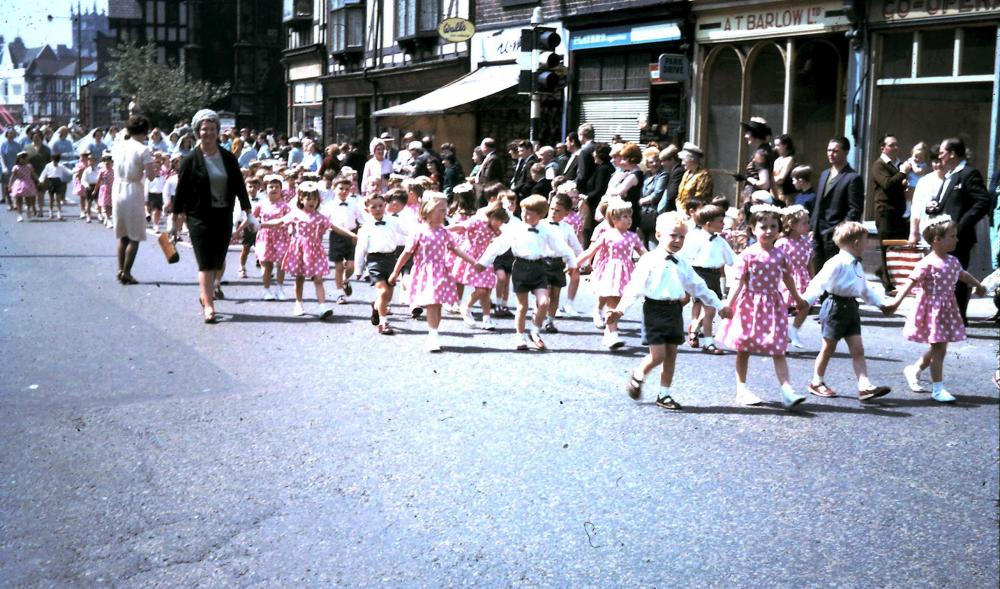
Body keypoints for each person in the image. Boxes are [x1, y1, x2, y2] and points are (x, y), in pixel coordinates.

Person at [610, 212, 733, 410]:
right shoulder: (649, 259)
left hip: (674, 311)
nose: (678, 240)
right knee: (657, 355)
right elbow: (634, 287)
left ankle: (664, 394)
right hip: (654, 311)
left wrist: (720, 306)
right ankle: (638, 374)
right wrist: (620, 310)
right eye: (673, 235)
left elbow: (699, 287)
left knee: (671, 356)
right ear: (658, 235)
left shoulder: (682, 263)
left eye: (682, 236)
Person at [884, 216, 987, 403]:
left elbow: (962, 274)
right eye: (952, 236)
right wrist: (896, 303)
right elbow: (910, 282)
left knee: (940, 346)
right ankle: (938, 389)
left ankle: (914, 369)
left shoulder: (953, 261)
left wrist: (978, 285)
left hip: (947, 309)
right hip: (931, 310)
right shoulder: (927, 263)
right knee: (939, 348)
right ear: (937, 240)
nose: (957, 239)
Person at [718, 204, 810, 409]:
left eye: (773, 226)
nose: (769, 231)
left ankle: (787, 390)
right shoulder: (748, 254)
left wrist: (797, 298)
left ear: (779, 229)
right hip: (750, 304)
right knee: (744, 348)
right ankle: (741, 389)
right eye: (763, 226)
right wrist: (728, 305)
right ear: (752, 228)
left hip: (773, 305)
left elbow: (787, 278)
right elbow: (739, 281)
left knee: (778, 348)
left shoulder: (780, 255)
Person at [174, 109, 254, 324]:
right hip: (198, 217)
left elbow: (239, 186)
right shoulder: (190, 160)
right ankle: (209, 305)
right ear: (197, 132)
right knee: (206, 263)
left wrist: (248, 211)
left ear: (218, 131)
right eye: (203, 129)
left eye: (211, 129)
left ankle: (206, 293)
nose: (207, 133)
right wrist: (176, 222)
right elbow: (181, 192)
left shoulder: (227, 158)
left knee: (218, 260)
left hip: (223, 215)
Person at [801, 221, 892, 402]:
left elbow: (865, 290)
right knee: (828, 348)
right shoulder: (836, 263)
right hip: (835, 307)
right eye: (866, 241)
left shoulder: (857, 265)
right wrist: (806, 301)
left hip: (851, 308)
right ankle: (816, 382)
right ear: (857, 243)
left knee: (858, 349)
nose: (867, 245)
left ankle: (864, 386)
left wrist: (881, 305)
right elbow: (818, 282)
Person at [476, 194, 578, 351]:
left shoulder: (546, 230)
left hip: (539, 268)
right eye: (523, 211)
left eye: (529, 213)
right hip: (521, 268)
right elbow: (498, 245)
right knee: (522, 306)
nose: (524, 215)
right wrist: (483, 263)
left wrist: (572, 263)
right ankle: (520, 336)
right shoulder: (515, 229)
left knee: (544, 302)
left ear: (540, 215)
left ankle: (535, 330)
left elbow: (563, 248)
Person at [389, 195, 479, 352]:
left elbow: (455, 248)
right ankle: (432, 335)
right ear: (429, 212)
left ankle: (434, 333)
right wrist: (395, 272)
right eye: (441, 211)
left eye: (444, 211)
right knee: (432, 303)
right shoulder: (418, 231)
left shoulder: (443, 232)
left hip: (440, 272)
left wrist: (474, 262)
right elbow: (406, 253)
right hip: (425, 272)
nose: (444, 214)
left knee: (436, 304)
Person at [259, 181, 355, 319]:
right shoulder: (296, 214)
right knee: (300, 278)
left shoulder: (319, 217)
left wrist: (352, 235)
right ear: (301, 199)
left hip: (315, 250)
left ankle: (322, 306)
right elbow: (279, 221)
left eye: (315, 199)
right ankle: (299, 303)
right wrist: (262, 224)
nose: (312, 202)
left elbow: (335, 227)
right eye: (309, 198)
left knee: (318, 279)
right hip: (299, 250)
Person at [926, 138, 991, 323]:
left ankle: (958, 318)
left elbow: (983, 201)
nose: (940, 156)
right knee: (945, 276)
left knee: (958, 277)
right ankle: (948, 316)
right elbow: (948, 203)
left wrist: (961, 226)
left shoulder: (969, 174)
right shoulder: (951, 175)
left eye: (942, 152)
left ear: (953, 153)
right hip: (943, 237)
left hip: (958, 238)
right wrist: (934, 206)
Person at [576, 198, 647, 350]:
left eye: (630, 216)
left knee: (618, 302)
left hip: (626, 273)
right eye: (625, 216)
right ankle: (611, 334)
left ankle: (609, 332)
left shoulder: (633, 236)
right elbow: (591, 251)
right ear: (614, 218)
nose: (629, 220)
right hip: (610, 271)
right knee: (612, 302)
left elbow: (644, 254)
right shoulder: (606, 235)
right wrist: (574, 264)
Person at [680, 204, 735, 355]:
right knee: (710, 310)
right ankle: (709, 343)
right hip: (699, 274)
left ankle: (695, 326)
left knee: (710, 309)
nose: (723, 224)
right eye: (720, 221)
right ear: (709, 223)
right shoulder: (695, 237)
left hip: (714, 276)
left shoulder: (720, 241)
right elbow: (685, 257)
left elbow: (733, 260)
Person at [110, 115, 158, 285]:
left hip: (117, 188)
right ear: (145, 132)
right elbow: (152, 176)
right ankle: (127, 272)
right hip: (133, 189)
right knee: (134, 236)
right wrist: (155, 164)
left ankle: (119, 269)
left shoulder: (119, 146)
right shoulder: (143, 149)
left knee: (122, 234)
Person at [449, 200, 509, 331]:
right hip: (471, 257)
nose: (499, 224)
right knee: (482, 289)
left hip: (485, 258)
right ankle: (466, 306)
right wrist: (444, 229)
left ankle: (486, 318)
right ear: (491, 216)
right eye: (497, 220)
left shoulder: (497, 231)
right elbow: (461, 227)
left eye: (501, 222)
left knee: (485, 290)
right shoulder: (478, 222)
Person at [354, 193, 408, 334]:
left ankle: (376, 307)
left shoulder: (392, 221)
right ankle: (383, 324)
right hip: (374, 261)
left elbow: (407, 231)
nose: (378, 209)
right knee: (383, 292)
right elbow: (360, 249)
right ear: (367, 209)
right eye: (374, 207)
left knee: (387, 296)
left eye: (380, 206)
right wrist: (358, 269)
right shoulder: (365, 227)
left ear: (385, 206)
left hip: (391, 260)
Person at [811, 137, 864, 269]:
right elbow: (818, 203)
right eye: (829, 150)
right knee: (818, 274)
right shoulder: (824, 174)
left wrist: (841, 231)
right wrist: (812, 227)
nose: (831, 154)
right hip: (818, 233)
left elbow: (855, 210)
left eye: (835, 151)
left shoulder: (853, 178)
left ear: (845, 152)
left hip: (836, 234)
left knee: (835, 275)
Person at [870, 134, 910, 294]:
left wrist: (903, 181)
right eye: (892, 145)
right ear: (883, 148)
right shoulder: (878, 165)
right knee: (886, 246)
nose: (896, 148)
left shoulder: (895, 164)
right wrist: (902, 173)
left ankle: (886, 274)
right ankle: (888, 285)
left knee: (897, 246)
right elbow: (887, 184)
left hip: (898, 212)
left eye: (896, 145)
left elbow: (896, 184)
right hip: (885, 212)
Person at [542, 193, 583, 333]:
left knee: (555, 295)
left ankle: (549, 321)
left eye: (558, 211)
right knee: (544, 295)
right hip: (542, 263)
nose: (553, 212)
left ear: (566, 213)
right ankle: (538, 317)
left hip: (558, 264)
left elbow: (577, 247)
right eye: (552, 208)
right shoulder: (540, 224)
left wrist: (584, 262)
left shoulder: (567, 228)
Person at [321, 176, 365, 304]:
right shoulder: (329, 206)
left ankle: (345, 280)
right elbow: (324, 221)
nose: (344, 191)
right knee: (339, 266)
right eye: (341, 188)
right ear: (334, 189)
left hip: (352, 235)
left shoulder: (354, 204)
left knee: (351, 265)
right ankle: (340, 293)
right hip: (336, 236)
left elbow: (362, 219)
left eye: (347, 189)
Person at [775, 205, 814, 349]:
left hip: (802, 278)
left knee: (805, 305)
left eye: (807, 222)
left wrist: (813, 279)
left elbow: (810, 262)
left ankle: (794, 330)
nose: (807, 225)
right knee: (783, 307)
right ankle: (780, 332)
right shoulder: (782, 243)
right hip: (786, 279)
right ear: (792, 224)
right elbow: (777, 262)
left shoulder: (806, 243)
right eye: (804, 223)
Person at [253, 175, 291, 300]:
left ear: (281, 189)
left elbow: (290, 220)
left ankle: (279, 289)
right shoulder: (261, 204)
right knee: (266, 264)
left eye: (277, 187)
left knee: (280, 264)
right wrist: (240, 231)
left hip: (281, 236)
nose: (274, 189)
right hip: (265, 237)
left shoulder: (285, 206)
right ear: (265, 188)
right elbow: (252, 219)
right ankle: (266, 290)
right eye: (271, 186)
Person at [907, 148, 945, 246]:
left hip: (946, 234)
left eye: (941, 161)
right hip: (926, 233)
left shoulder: (952, 180)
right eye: (935, 162)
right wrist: (913, 233)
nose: (938, 165)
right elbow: (916, 210)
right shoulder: (924, 181)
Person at [736, 117, 773, 205]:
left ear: (755, 134)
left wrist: (747, 178)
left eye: (748, 133)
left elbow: (764, 183)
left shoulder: (760, 154)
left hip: (754, 200)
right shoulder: (767, 150)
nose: (745, 136)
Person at [675, 142, 712, 212]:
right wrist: (679, 207)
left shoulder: (703, 175)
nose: (682, 163)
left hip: (695, 213)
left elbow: (699, 199)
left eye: (684, 160)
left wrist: (687, 212)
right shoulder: (686, 173)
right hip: (681, 211)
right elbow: (679, 195)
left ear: (692, 159)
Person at [7, 151, 40, 222]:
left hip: (28, 183)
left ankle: (28, 209)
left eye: (26, 159)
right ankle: (19, 215)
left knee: (28, 199)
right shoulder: (16, 167)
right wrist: (10, 185)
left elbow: (33, 174)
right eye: (24, 159)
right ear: (19, 159)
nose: (25, 160)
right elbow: (12, 177)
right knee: (19, 200)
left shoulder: (29, 166)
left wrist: (38, 181)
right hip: (19, 184)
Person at [40, 152, 71, 220]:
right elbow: (44, 173)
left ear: (58, 160)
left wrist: (76, 170)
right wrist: (41, 180)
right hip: (51, 182)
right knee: (51, 199)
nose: (55, 162)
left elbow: (68, 172)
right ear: (52, 159)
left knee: (58, 198)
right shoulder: (48, 165)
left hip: (58, 182)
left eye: (57, 160)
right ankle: (51, 212)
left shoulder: (61, 166)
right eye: (54, 160)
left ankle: (59, 213)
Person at [771, 134, 796, 203]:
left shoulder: (790, 159)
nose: (775, 148)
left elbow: (781, 179)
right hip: (774, 193)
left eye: (778, 145)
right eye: (775, 145)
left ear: (785, 145)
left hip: (785, 195)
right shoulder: (777, 160)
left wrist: (769, 180)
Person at [95, 153, 115, 228]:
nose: (107, 164)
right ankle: (109, 220)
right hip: (104, 190)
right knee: (106, 205)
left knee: (110, 206)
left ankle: (107, 218)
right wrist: (95, 190)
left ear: (111, 163)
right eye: (106, 163)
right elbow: (98, 181)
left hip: (112, 190)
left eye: (109, 163)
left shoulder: (114, 171)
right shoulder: (102, 171)